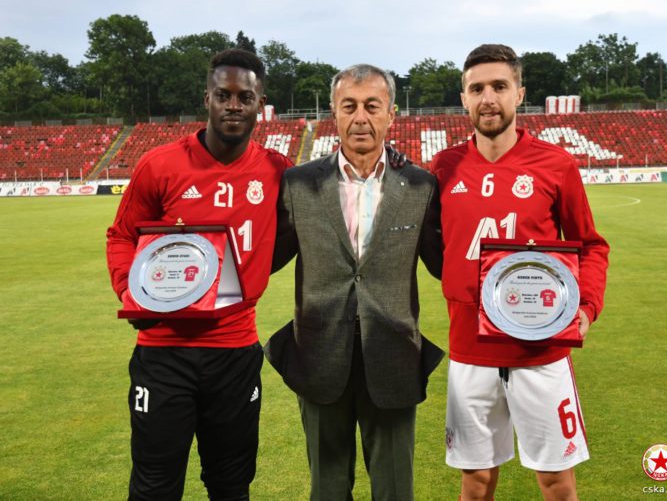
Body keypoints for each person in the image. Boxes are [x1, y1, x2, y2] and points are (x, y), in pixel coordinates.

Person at [106, 48, 292, 501]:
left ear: (259, 104)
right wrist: (137, 296)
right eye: (223, 95)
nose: (233, 105)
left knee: (231, 486)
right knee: (154, 487)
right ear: (206, 98)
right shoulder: (161, 164)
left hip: (235, 352)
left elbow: (294, 236)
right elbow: (121, 236)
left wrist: (252, 275)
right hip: (164, 352)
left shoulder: (277, 171)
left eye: (244, 97)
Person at [430, 44, 609, 501]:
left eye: (499, 86)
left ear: (519, 93)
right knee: (475, 481)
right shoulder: (443, 168)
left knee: (556, 481)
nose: (488, 97)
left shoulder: (555, 163)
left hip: (540, 349)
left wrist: (586, 306)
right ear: (464, 99)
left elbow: (590, 244)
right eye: (477, 89)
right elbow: (434, 246)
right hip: (469, 349)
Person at [265, 63, 444, 501]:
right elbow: (265, 259)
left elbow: (444, 265)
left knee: (395, 490)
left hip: (394, 356)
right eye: (349, 106)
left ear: (391, 114)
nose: (360, 117)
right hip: (319, 355)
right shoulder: (298, 183)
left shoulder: (419, 185)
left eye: (371, 106)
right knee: (326, 490)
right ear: (334, 112)